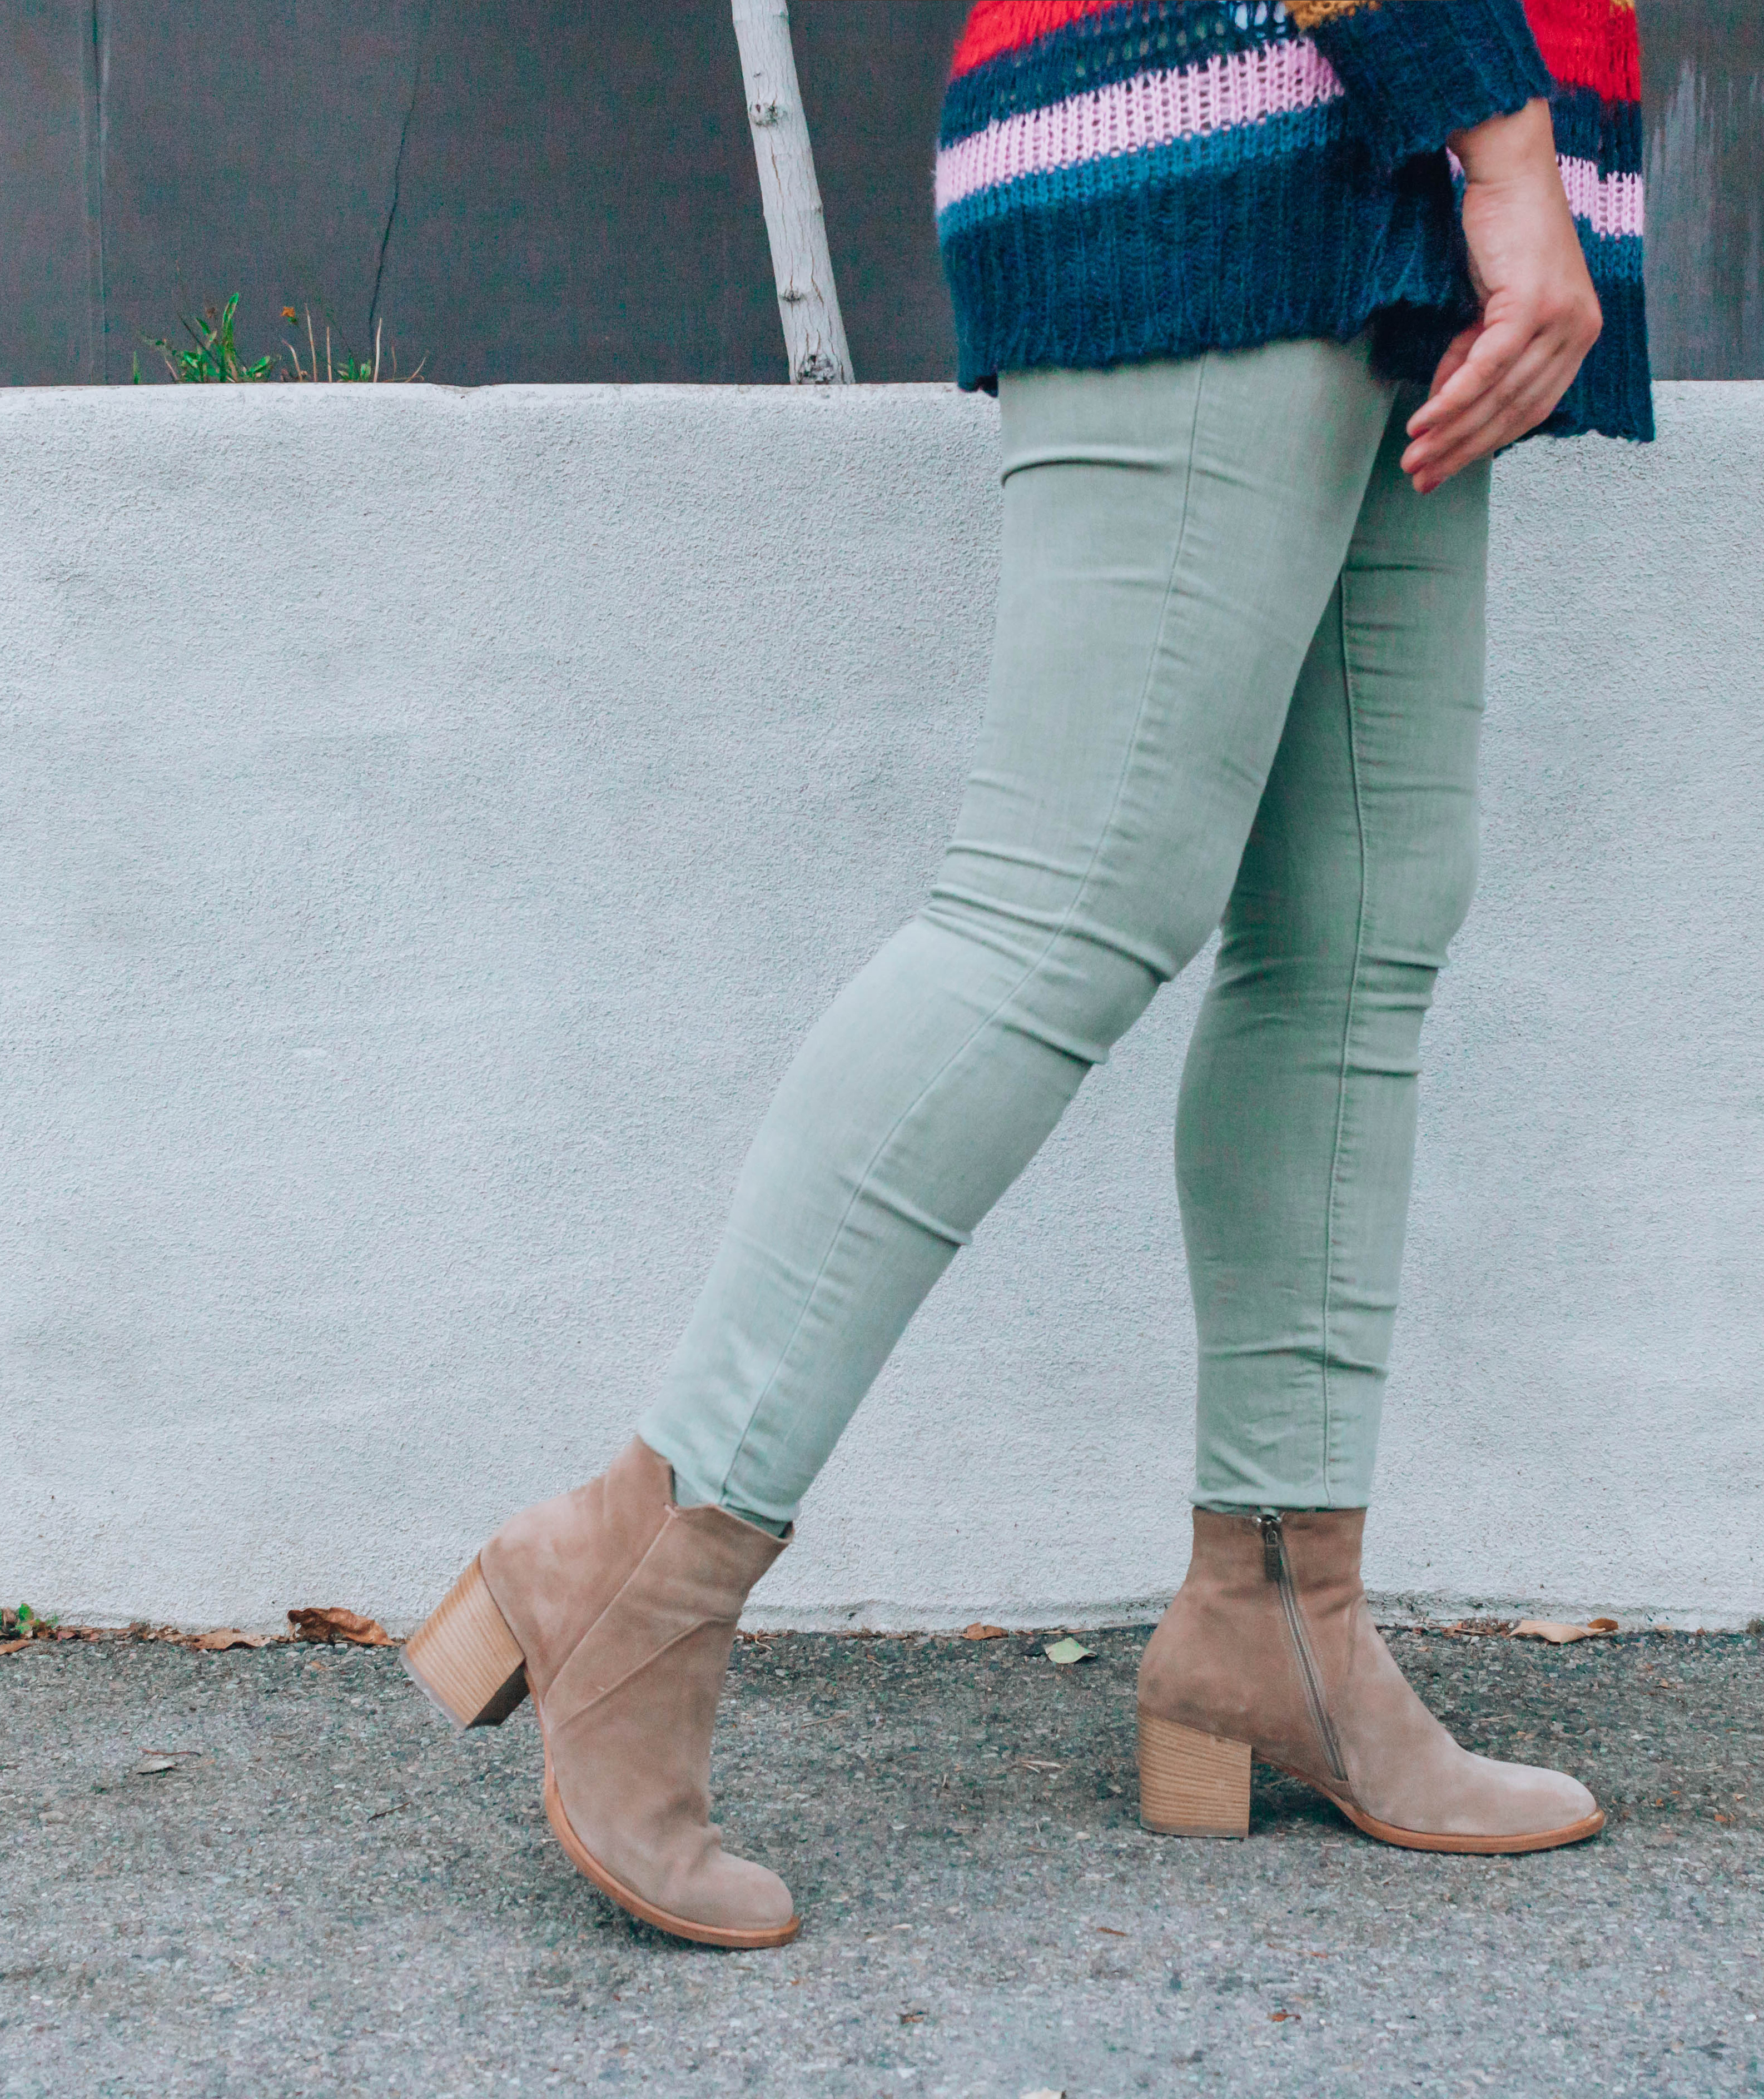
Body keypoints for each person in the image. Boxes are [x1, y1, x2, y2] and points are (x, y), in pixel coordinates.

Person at [404, 0, 1653, 1948]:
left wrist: (1501, 150)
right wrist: (1499, 146)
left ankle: (1276, 1622)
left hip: (1392, 169)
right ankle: (636, 1565)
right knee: (1062, 901)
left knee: (1358, 921)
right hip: (1234, 117)